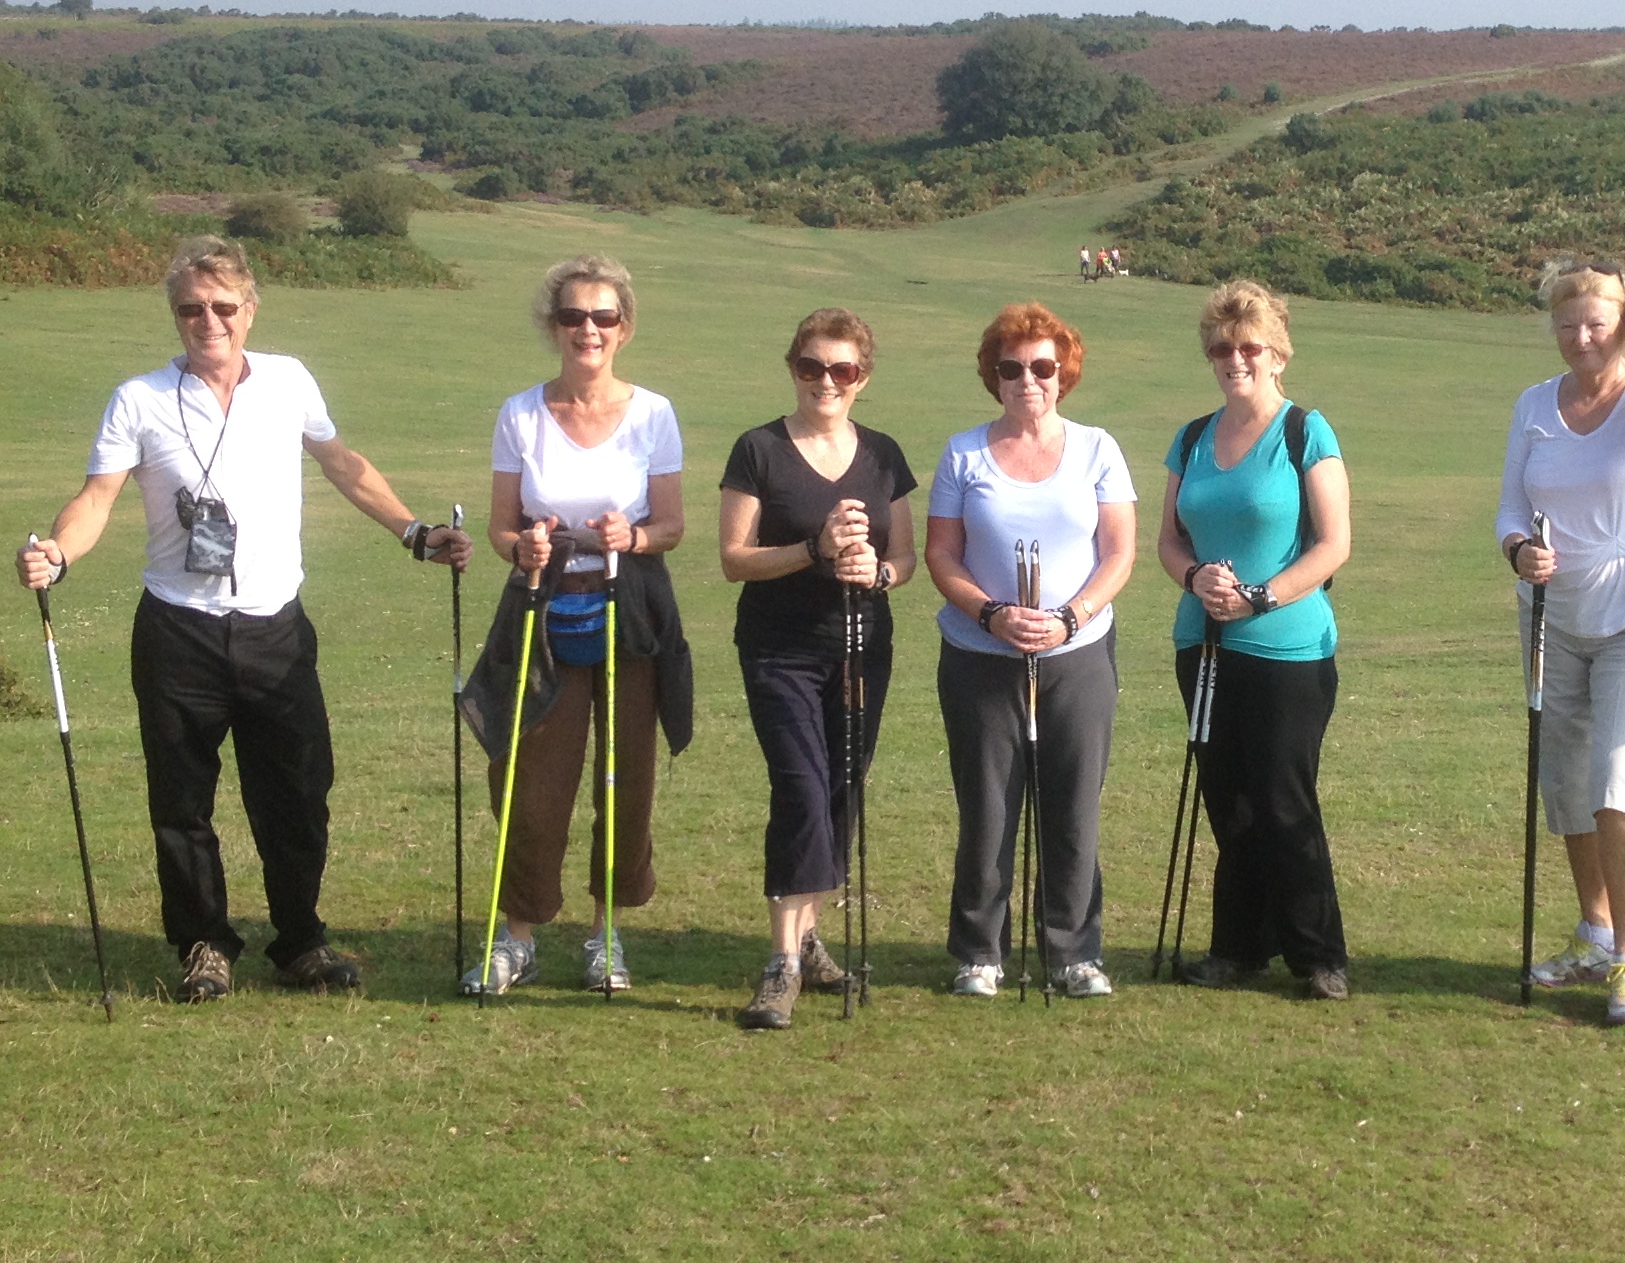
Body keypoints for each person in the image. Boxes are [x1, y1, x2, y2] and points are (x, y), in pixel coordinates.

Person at [13, 236, 469, 1002]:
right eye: (192, 307)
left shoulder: (289, 382)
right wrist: (58, 552)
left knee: (297, 793)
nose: (209, 320)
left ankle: (301, 941)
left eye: (224, 306)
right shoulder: (141, 399)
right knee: (182, 803)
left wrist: (415, 534)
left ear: (250, 311)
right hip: (177, 630)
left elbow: (343, 464)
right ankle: (204, 946)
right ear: (175, 314)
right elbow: (97, 497)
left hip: (274, 627)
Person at [461, 254, 691, 994]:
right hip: (542, 612)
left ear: (624, 328)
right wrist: (520, 546)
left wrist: (636, 536)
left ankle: (606, 937)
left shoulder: (653, 413)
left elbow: (674, 526)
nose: (587, 330)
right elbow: (501, 528)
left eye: (602, 317)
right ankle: (519, 936)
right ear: (553, 326)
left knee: (625, 783)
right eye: (572, 317)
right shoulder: (520, 413)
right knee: (529, 781)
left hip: (631, 617)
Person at [924, 302, 1139, 997]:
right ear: (994, 375)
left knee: (1072, 803)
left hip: (1077, 654)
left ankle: (1074, 951)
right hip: (981, 656)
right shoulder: (963, 452)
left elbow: (1120, 552)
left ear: (1063, 373)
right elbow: (941, 554)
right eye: (1011, 368)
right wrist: (989, 614)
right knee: (987, 806)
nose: (1027, 381)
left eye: (1042, 367)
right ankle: (979, 952)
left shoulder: (1098, 448)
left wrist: (1071, 618)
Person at [1496, 258, 1625, 1028]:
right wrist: (1518, 550)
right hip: (1551, 612)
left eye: (1596, 323)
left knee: (1617, 777)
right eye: (1568, 324)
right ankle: (1594, 932)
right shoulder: (1535, 405)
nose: (1580, 338)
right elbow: (1511, 501)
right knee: (1566, 785)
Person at [717, 308, 919, 1030]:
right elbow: (734, 559)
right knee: (800, 786)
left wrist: (879, 571)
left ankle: (808, 937)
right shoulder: (759, 450)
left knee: (840, 785)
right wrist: (816, 550)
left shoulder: (884, 454)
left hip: (863, 645)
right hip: (779, 649)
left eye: (842, 370)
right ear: (792, 368)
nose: (825, 381)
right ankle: (781, 963)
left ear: (862, 377)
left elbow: (906, 557)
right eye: (811, 367)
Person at [1154, 279, 1354, 996]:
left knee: (1282, 798)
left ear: (1276, 355)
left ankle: (1318, 956)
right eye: (1221, 348)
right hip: (1204, 646)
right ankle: (1237, 949)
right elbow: (1170, 542)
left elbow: (1333, 545)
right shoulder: (1191, 439)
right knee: (1228, 802)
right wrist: (1196, 578)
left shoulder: (1305, 431)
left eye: (1249, 347)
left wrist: (1261, 597)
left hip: (1287, 649)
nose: (1234, 359)